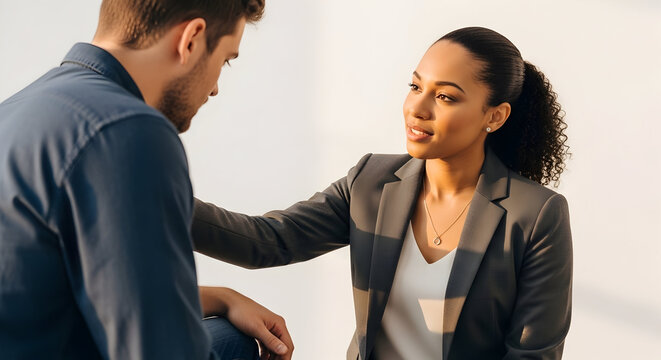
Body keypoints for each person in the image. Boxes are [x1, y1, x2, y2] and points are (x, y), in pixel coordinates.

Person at [192, 26, 572, 359]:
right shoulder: (371, 180)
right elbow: (269, 241)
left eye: (445, 97)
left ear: (495, 116)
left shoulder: (536, 215)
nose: (417, 108)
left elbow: (532, 355)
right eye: (416, 86)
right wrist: (159, 197)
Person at [0, 0, 293, 359]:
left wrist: (223, 297)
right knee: (234, 346)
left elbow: (62, 293)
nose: (215, 87)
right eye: (225, 59)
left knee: (225, 334)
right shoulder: (128, 131)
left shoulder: (20, 109)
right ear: (192, 39)